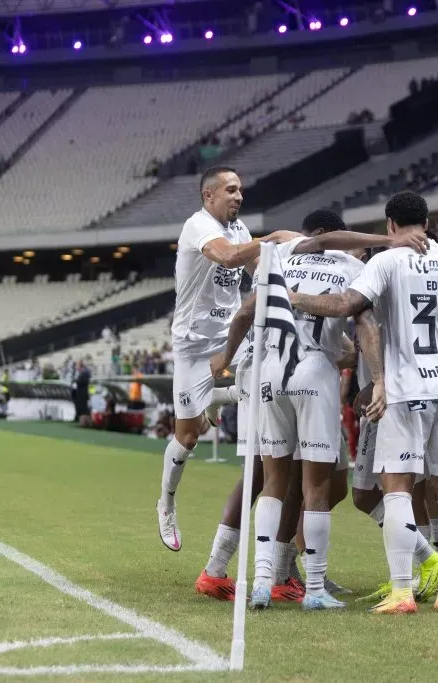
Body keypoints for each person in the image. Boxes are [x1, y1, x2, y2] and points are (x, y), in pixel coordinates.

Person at [193, 209, 430, 606]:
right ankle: (314, 588)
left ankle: (264, 580)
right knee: (313, 485)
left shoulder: (282, 257)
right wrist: (377, 379)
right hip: (314, 371)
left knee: (273, 480)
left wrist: (224, 359)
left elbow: (246, 313)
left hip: (270, 370)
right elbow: (365, 324)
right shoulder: (354, 267)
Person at [290, 190, 438, 614]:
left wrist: (295, 297)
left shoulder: (388, 261)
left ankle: (403, 591)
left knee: (396, 490)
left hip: (405, 390)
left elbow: (347, 305)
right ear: (426, 223)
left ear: (391, 225)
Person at [156, 165, 297, 552]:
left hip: (232, 335)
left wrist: (292, 267)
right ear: (209, 195)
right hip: (193, 344)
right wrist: (273, 239)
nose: (239, 196)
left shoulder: (240, 229)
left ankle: (222, 396)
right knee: (188, 437)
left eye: (240, 190)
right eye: (231, 190)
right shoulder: (197, 226)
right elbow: (230, 257)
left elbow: (255, 267)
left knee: (268, 380)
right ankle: (166, 502)